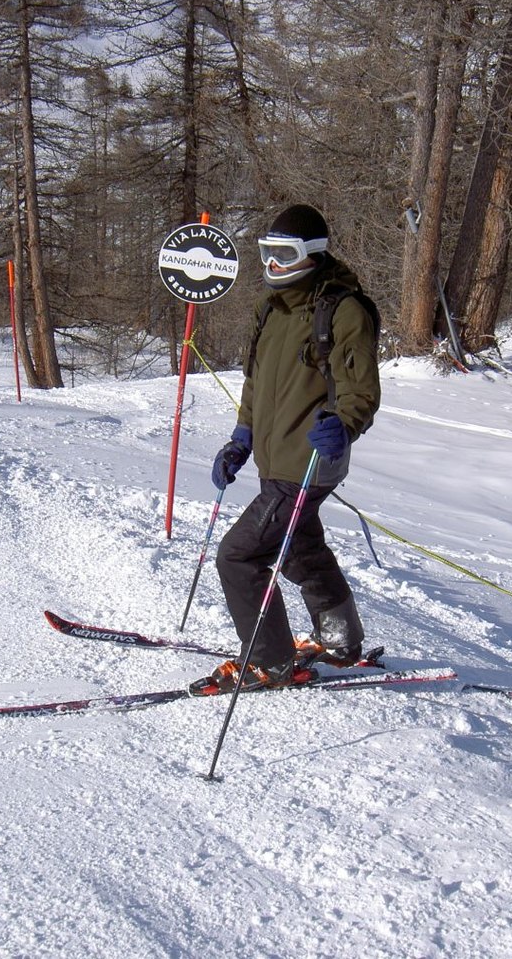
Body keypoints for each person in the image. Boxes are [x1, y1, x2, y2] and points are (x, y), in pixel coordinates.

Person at [189, 204, 381, 696]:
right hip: (277, 460)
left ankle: (268, 662)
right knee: (298, 547)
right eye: (267, 254)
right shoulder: (270, 309)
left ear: (311, 255)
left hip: (310, 460)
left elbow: (361, 391)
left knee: (239, 557)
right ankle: (340, 638)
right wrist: (241, 437)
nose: (272, 265)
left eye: (283, 254)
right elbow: (257, 383)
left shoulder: (343, 310)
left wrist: (344, 425)